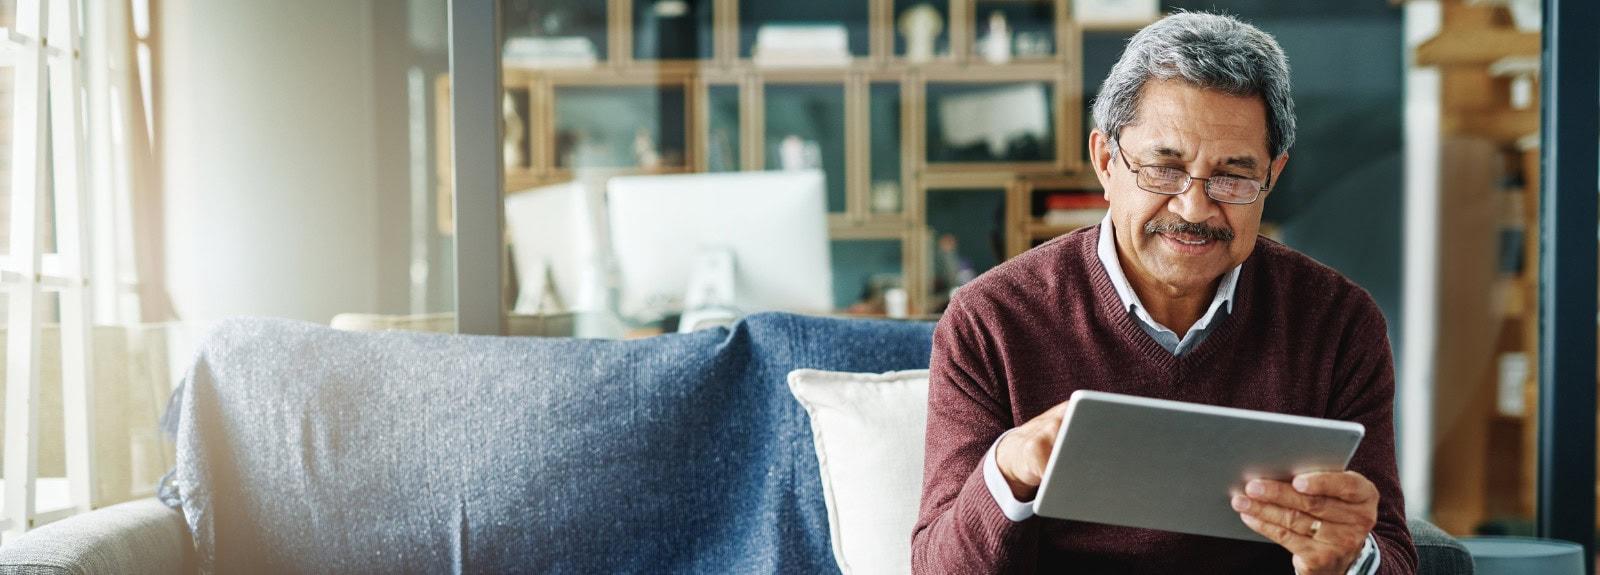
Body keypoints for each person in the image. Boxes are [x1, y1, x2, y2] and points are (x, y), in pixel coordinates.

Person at [911, 12, 1416, 575]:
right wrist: (1007, 470)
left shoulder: (1338, 323)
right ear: (1106, 161)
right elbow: (936, 567)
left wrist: (1352, 558)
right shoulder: (990, 319)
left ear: (1272, 177)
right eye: (1164, 168)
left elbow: (1393, 553)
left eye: (1232, 176)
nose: (1194, 209)